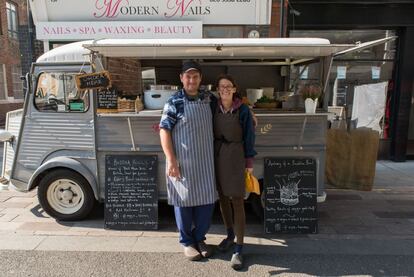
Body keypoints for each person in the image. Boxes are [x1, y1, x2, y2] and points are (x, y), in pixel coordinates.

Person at [159, 60, 218, 261]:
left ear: (200, 78)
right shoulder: (174, 101)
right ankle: (187, 242)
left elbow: (231, 104)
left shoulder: (209, 98)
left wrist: (248, 111)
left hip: (205, 162)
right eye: (188, 76)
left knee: (206, 202)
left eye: (195, 76)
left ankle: (200, 238)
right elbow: (164, 130)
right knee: (183, 202)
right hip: (182, 162)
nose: (192, 80)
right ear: (182, 78)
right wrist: (171, 160)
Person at [213, 74, 256, 270]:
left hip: (237, 155)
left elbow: (249, 136)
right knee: (222, 197)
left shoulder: (244, 110)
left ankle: (239, 247)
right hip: (218, 154)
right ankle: (229, 235)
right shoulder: (213, 106)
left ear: (234, 88)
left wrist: (249, 162)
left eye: (228, 86)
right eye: (221, 86)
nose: (225, 89)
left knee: (237, 200)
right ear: (217, 89)